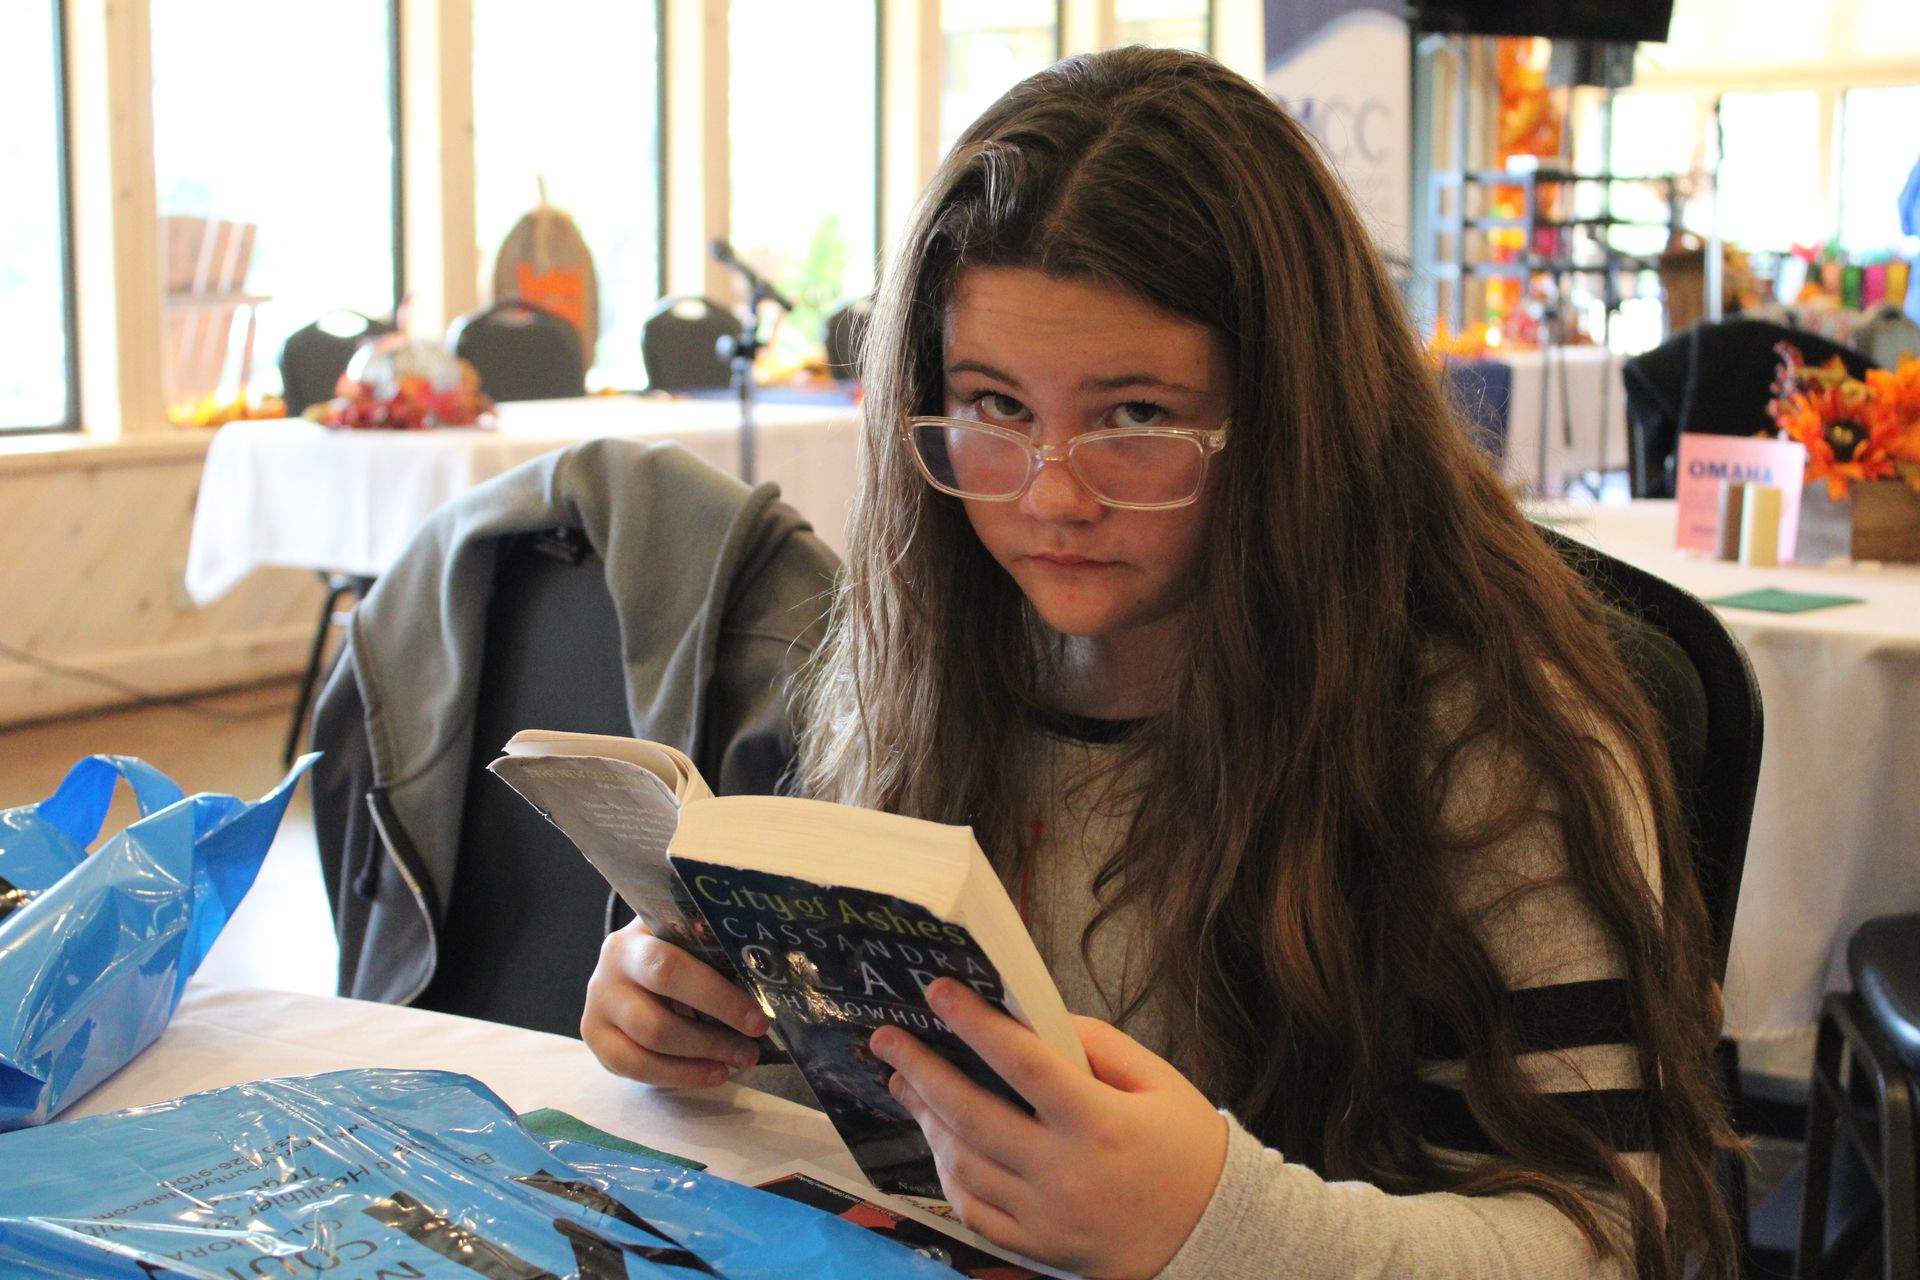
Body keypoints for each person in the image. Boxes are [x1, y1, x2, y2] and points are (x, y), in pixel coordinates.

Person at [581, 46, 1736, 1280]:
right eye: (994, 406)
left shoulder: (1480, 732)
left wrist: (1209, 1224)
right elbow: (879, 1115)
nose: (1052, 496)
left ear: (1293, 419)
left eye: (1135, 415)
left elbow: (1611, 1237)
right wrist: (703, 1030)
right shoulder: (915, 659)